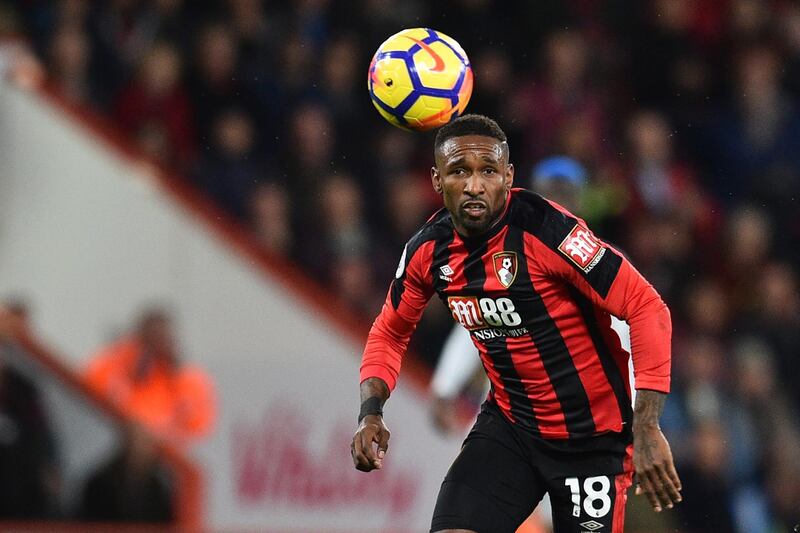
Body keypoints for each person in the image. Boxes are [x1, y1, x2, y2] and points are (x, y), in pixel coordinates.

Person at [351, 115, 681, 532]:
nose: (474, 185)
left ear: (508, 176)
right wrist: (370, 413)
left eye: (487, 171)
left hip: (593, 441)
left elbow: (647, 307)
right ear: (436, 180)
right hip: (511, 429)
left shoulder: (548, 230)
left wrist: (648, 424)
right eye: (459, 171)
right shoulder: (427, 251)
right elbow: (390, 331)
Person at [84, 307, 216, 445]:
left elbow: (197, 427)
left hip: (163, 455)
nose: (153, 348)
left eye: (161, 339)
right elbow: (87, 404)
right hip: (112, 445)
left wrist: (176, 376)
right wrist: (130, 372)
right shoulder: (109, 366)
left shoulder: (188, 378)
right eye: (148, 339)